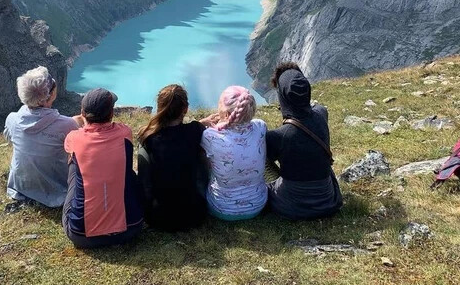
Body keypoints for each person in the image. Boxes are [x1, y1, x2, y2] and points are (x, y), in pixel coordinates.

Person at [63, 88, 144, 248]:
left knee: (74, 165)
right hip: (131, 227)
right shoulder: (124, 133)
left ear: (82, 113)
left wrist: (80, 121)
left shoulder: (74, 138)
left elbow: (72, 141)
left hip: (81, 234)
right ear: (112, 113)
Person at [266, 62, 342, 220]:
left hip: (291, 207)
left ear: (283, 97)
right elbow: (317, 109)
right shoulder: (322, 114)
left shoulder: (278, 136)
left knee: (260, 158)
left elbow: (265, 160)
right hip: (328, 202)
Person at [137, 85, 216, 231]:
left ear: (160, 108)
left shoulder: (148, 138)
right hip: (195, 215)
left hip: (157, 218)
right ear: (185, 109)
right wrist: (203, 123)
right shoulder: (194, 131)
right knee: (199, 153)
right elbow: (194, 127)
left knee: (144, 154)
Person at [4, 66, 83, 208]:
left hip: (21, 188)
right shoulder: (66, 125)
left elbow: (12, 138)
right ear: (50, 95)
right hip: (57, 193)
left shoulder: (12, 120)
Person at [201, 86, 268, 221]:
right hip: (257, 205)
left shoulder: (210, 135)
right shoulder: (261, 127)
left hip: (221, 208)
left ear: (225, 114)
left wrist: (204, 123)